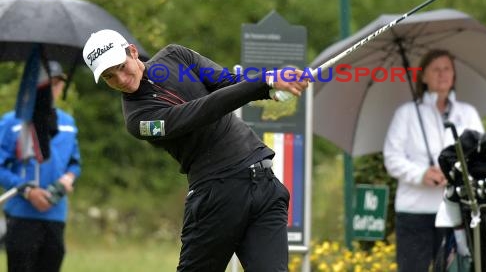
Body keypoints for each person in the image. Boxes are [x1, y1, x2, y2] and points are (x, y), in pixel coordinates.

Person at [82, 29, 309, 272]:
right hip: (217, 195)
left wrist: (270, 89)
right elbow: (203, 111)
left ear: (133, 51)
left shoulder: (176, 56)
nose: (121, 79)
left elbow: (228, 82)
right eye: (109, 77)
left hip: (264, 181)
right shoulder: (139, 120)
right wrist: (265, 81)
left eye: (121, 66)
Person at [383, 49, 484, 272]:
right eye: (435, 69)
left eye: (447, 68)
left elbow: (480, 155)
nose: (442, 74)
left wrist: (455, 175)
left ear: (454, 75)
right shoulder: (407, 114)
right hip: (414, 212)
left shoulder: (468, 114)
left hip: (455, 212)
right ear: (423, 77)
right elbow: (392, 157)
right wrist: (421, 174)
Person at [0, 61, 81, 272]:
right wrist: (27, 190)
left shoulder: (68, 123)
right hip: (21, 215)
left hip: (55, 215)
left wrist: (68, 179)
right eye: (46, 84)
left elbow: (74, 163)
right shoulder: (12, 122)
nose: (51, 90)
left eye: (56, 84)